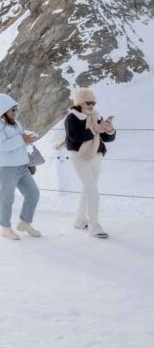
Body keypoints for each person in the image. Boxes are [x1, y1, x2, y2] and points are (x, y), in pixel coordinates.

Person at [0, 93, 41, 240]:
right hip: (5, 168)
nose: (15, 113)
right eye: (13, 110)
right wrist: (22, 139)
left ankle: (24, 222)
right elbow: (2, 146)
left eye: (16, 110)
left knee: (33, 194)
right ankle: (5, 228)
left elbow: (21, 138)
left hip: (21, 166)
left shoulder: (15, 123)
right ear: (2, 111)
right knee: (7, 198)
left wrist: (29, 138)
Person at [64, 87, 115, 239]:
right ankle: (94, 227)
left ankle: (80, 221)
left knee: (88, 189)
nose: (91, 105)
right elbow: (74, 137)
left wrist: (109, 130)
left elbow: (106, 138)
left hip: (96, 155)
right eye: (88, 102)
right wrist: (94, 130)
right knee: (92, 191)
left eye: (93, 102)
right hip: (80, 156)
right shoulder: (72, 117)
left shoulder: (96, 116)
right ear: (79, 102)